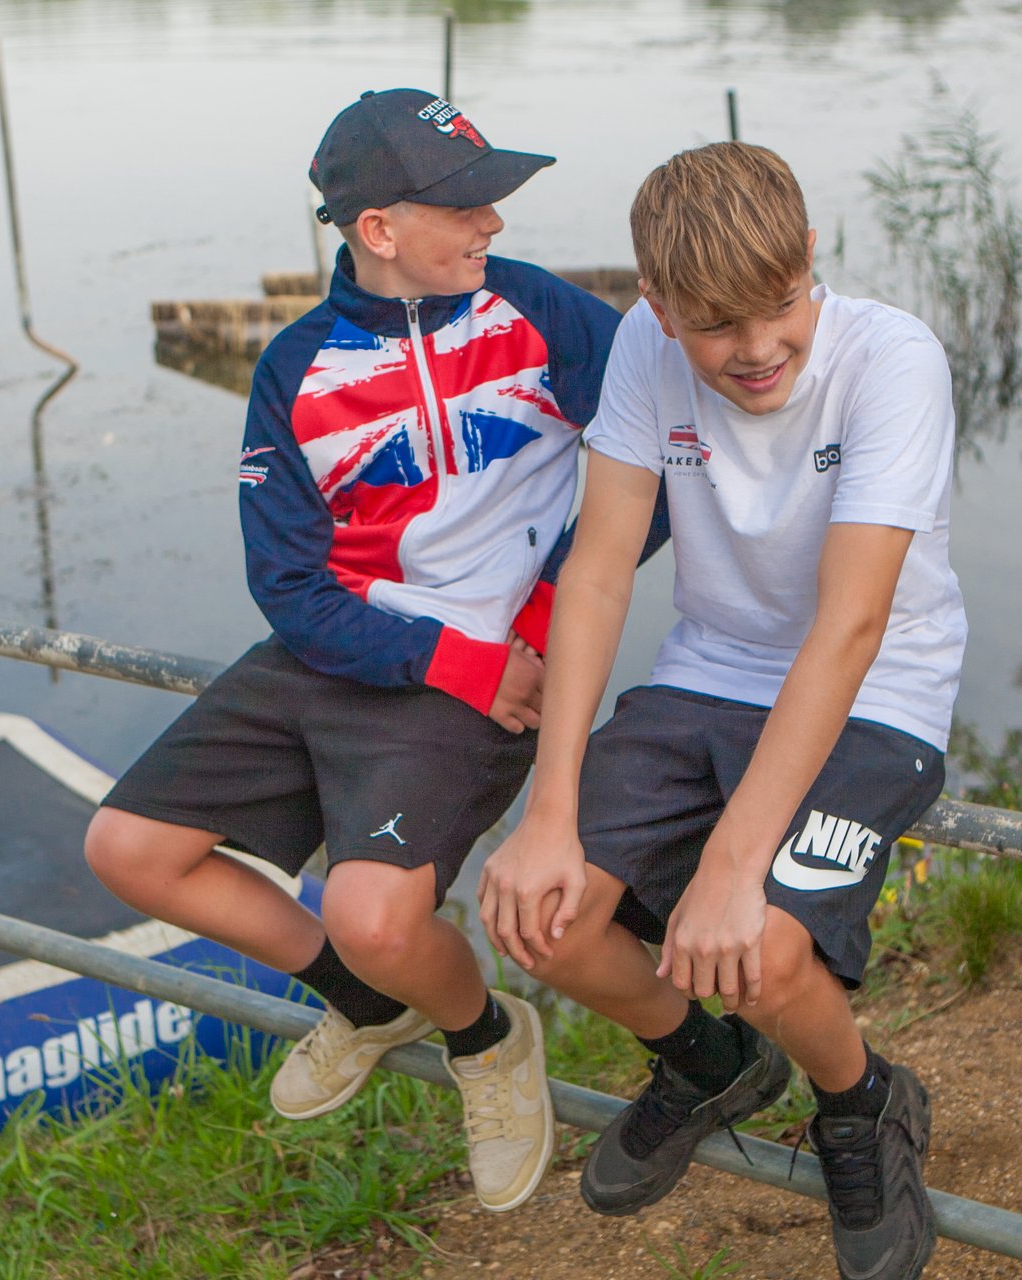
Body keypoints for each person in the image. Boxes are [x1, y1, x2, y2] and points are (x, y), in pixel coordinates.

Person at [85, 88, 631, 1214]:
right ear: (377, 230)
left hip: (491, 659)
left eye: (495, 199)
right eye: (466, 204)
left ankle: (488, 1039)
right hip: (348, 646)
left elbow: (650, 470)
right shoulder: (295, 367)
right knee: (129, 847)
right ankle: (370, 1003)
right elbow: (285, 582)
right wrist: (448, 660)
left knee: (373, 909)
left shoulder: (540, 316)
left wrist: (534, 629)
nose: (493, 223)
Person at [478, 141, 963, 1280]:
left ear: (809, 257)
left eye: (779, 309)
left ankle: (862, 1101)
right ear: (654, 304)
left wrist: (736, 864)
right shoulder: (645, 345)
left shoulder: (892, 360)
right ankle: (708, 1063)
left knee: (758, 947)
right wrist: (550, 811)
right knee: (538, 915)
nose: (755, 351)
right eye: (714, 328)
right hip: (707, 668)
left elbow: (850, 624)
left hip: (875, 683)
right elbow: (598, 571)